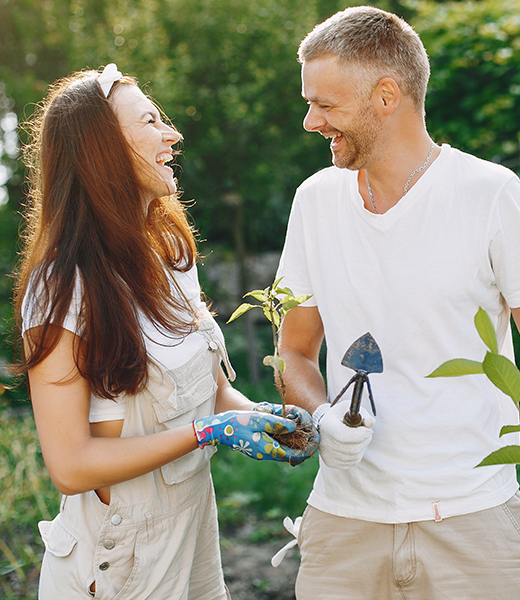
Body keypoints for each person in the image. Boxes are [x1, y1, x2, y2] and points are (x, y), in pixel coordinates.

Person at [11, 64, 317, 600]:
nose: (172, 133)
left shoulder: (169, 255)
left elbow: (212, 392)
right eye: (151, 122)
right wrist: (209, 432)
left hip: (194, 536)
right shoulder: (62, 287)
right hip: (117, 557)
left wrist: (259, 420)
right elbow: (71, 465)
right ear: (102, 152)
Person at [275, 6, 520, 599]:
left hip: (473, 520)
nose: (310, 122)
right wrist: (325, 415)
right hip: (343, 522)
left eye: (325, 105)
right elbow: (293, 354)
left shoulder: (490, 195)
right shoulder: (315, 201)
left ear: (388, 95)